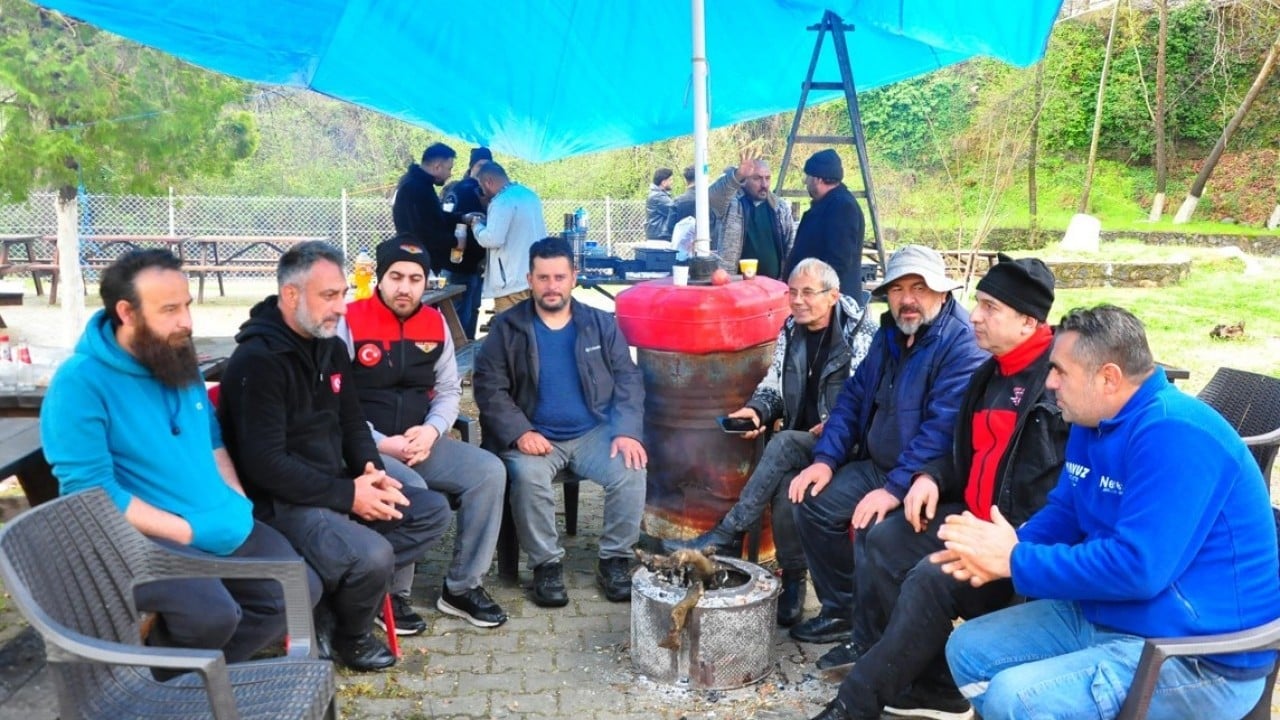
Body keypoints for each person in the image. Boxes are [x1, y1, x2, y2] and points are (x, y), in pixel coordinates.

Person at [938, 305, 1280, 720]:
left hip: (1198, 658)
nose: (1048, 383)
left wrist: (1014, 559)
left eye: (1060, 371)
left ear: (1108, 377)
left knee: (1018, 697)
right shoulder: (1092, 421)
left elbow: (1138, 568)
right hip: (1117, 615)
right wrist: (1004, 547)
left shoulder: (1175, 435)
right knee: (967, 648)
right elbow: (1065, 511)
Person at [811, 255, 1068, 720]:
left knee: (929, 574)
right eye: (980, 303)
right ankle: (921, 680)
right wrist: (930, 476)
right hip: (969, 517)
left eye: (990, 307)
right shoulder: (991, 372)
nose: (976, 315)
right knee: (884, 535)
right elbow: (957, 449)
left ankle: (860, 699)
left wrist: (1014, 540)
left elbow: (1062, 493)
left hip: (1017, 539)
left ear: (1028, 321)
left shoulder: (1056, 385)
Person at [41, 249, 321, 668]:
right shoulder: (79, 383)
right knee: (212, 616)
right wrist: (187, 530)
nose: (186, 322)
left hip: (213, 517)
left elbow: (212, 441)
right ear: (127, 313)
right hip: (136, 536)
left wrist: (235, 499)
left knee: (299, 591)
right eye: (169, 309)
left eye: (187, 305)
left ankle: (187, 682)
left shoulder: (177, 360)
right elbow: (90, 493)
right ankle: (154, 691)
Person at [219, 240, 450, 671]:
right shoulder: (257, 361)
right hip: (284, 502)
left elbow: (351, 424)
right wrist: (349, 496)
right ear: (291, 296)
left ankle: (328, 597)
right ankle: (353, 634)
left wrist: (372, 471)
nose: (342, 307)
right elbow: (264, 465)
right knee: (372, 556)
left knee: (430, 512)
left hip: (338, 483)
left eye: (342, 294)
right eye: (329, 296)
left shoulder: (330, 347)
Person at [786, 245, 986, 646]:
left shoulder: (960, 345)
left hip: (926, 481)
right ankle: (842, 609)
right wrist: (825, 459)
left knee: (871, 526)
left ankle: (875, 638)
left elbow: (941, 430)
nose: (907, 299)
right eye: (897, 290)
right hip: (878, 465)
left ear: (942, 293)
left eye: (919, 288)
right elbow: (853, 399)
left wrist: (894, 489)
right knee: (811, 502)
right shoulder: (891, 334)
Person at [663, 258, 876, 627]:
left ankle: (726, 535)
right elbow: (773, 386)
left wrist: (834, 425)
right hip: (802, 444)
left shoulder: (862, 335)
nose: (797, 301)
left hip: (847, 448)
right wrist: (757, 411)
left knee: (782, 446)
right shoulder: (792, 329)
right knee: (785, 487)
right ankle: (793, 581)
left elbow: (867, 402)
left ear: (833, 295)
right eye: (792, 292)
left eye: (808, 293)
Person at [342, 235, 508, 630]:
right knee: (413, 485)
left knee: (489, 471)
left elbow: (450, 391)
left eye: (415, 278)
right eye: (395, 276)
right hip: (364, 444)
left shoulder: (435, 323)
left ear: (425, 281)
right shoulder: (348, 321)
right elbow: (334, 401)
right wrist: (383, 442)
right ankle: (392, 593)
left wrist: (433, 432)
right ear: (379, 278)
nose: (405, 287)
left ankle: (462, 588)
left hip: (420, 442)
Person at [474, 236, 646, 607]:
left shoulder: (600, 323)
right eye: (543, 278)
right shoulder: (507, 328)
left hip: (592, 433)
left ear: (573, 278)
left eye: (559, 277)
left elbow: (628, 380)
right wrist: (520, 431)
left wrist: (628, 432)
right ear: (530, 280)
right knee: (530, 479)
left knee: (631, 470)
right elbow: (489, 388)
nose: (551, 286)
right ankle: (546, 567)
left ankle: (615, 561)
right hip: (534, 437)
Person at [783, 149, 864, 304]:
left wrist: (816, 293)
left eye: (807, 177)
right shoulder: (828, 204)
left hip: (828, 304)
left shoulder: (842, 207)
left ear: (817, 179)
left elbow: (838, 261)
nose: (805, 182)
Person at [470, 162, 548, 314]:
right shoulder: (529, 195)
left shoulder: (502, 201)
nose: (482, 191)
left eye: (481, 186)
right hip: (534, 275)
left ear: (488, 182)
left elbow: (492, 239)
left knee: (509, 333)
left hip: (510, 282)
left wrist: (477, 226)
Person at [708, 147, 794, 279]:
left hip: (773, 286)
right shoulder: (732, 204)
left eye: (768, 178)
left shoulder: (779, 208)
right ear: (744, 182)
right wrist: (737, 175)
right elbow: (712, 197)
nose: (764, 184)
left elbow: (790, 246)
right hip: (736, 284)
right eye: (757, 179)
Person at [441, 146, 492, 340]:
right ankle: (453, 355)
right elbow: (444, 218)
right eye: (480, 165)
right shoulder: (460, 189)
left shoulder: (490, 191)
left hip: (477, 265)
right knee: (457, 312)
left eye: (487, 165)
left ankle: (468, 351)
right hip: (457, 263)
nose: (483, 169)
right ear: (471, 167)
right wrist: (465, 220)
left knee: (473, 310)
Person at [392, 142, 463, 275]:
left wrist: (461, 217)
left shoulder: (419, 184)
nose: (450, 174)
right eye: (449, 168)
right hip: (417, 260)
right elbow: (423, 230)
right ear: (437, 166)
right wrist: (454, 241)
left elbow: (432, 215)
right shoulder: (415, 188)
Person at [664, 165, 697, 238]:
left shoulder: (678, 201)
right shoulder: (710, 198)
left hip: (684, 244)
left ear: (686, 180)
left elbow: (670, 227)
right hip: (709, 245)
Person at [645, 167, 675, 241]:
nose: (672, 182)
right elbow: (675, 210)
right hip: (660, 236)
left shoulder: (658, 194)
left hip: (658, 235)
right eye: (670, 180)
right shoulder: (658, 197)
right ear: (663, 182)